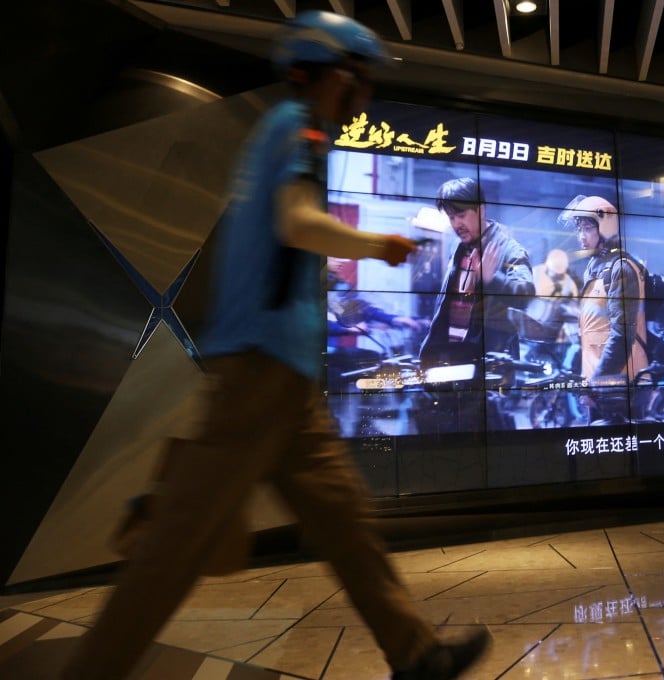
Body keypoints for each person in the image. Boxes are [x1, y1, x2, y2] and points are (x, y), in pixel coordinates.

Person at [63, 11, 490, 680]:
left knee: (345, 520)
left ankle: (418, 655)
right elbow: (297, 224)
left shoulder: (289, 132)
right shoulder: (298, 126)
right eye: (361, 81)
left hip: (282, 377)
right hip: (259, 374)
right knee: (176, 546)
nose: (365, 97)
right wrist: (375, 245)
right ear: (334, 77)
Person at [419, 177, 534, 368]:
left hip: (489, 365)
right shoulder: (458, 247)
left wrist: (492, 280)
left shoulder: (509, 249)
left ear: (480, 210)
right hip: (449, 358)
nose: (456, 224)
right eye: (451, 217)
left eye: (461, 215)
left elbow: (526, 295)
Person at [560, 195, 648, 382]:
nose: (581, 236)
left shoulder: (621, 268)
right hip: (599, 380)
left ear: (605, 229)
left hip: (621, 382)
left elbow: (621, 335)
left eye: (588, 228)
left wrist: (598, 381)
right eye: (579, 229)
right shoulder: (595, 268)